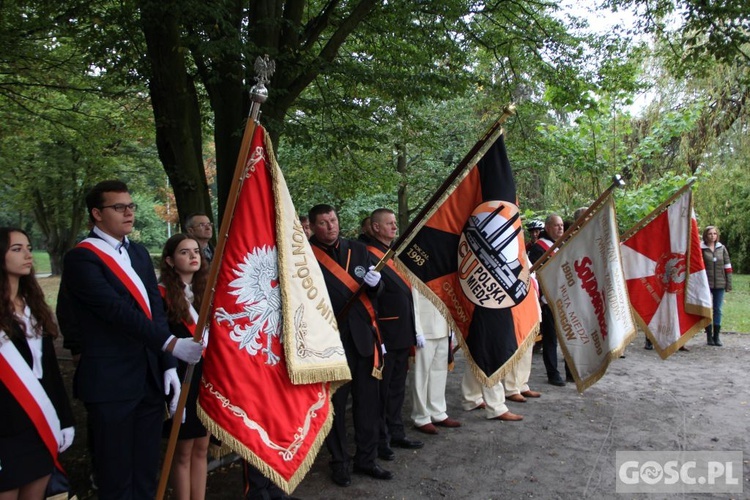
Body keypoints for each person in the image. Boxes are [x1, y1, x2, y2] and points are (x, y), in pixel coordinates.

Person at [59, 180, 203, 498]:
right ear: (97, 214)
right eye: (118, 207)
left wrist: (167, 365)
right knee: (116, 477)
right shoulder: (81, 259)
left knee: (145, 473)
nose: (128, 212)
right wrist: (171, 345)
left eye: (131, 206)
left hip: (149, 378)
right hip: (111, 382)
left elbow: (154, 309)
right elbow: (115, 311)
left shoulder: (137, 253)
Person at [308, 204, 392, 486]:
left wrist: (375, 284)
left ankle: (366, 459)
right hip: (329, 343)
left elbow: (376, 293)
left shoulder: (357, 249)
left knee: (367, 404)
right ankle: (340, 462)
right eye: (322, 222)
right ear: (313, 226)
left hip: (363, 340)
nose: (330, 226)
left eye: (332, 220)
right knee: (335, 407)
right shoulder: (304, 256)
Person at [0, 228, 75, 499]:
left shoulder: (33, 305)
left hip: (39, 423)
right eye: (16, 249)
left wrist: (65, 419)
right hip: (7, 429)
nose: (28, 254)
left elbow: (51, 371)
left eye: (29, 247)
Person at [364, 208, 424, 460]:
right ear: (375, 227)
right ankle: (381, 439)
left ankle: (396, 430)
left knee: (398, 387)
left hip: (402, 330)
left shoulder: (392, 253)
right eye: (388, 224)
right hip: (385, 332)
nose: (394, 227)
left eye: (394, 223)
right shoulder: (366, 252)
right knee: (383, 390)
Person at [159, 234, 210, 500]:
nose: (193, 256)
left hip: (205, 377)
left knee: (202, 447)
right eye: (184, 252)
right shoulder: (161, 295)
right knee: (182, 451)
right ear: (169, 260)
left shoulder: (207, 292)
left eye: (196, 252)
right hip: (179, 378)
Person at [410, 287, 461, 435]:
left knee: (439, 373)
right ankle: (421, 416)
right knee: (421, 375)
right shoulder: (416, 269)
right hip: (424, 330)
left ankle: (437, 411)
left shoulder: (441, 271)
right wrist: (417, 331)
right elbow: (413, 303)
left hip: (443, 328)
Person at [528, 214, 569, 386]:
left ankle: (571, 372)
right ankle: (553, 373)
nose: (560, 228)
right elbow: (537, 275)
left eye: (561, 225)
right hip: (549, 299)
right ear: (547, 227)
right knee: (550, 339)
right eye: (556, 225)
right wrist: (544, 297)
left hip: (565, 297)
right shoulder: (539, 248)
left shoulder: (564, 245)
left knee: (568, 337)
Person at [701, 226, 732, 347]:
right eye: (710, 234)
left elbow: (727, 267)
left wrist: (728, 283)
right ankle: (709, 335)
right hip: (706, 284)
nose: (712, 236)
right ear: (706, 235)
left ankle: (717, 336)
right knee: (707, 309)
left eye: (714, 233)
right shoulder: (701, 249)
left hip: (720, 283)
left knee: (718, 309)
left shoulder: (722, 248)